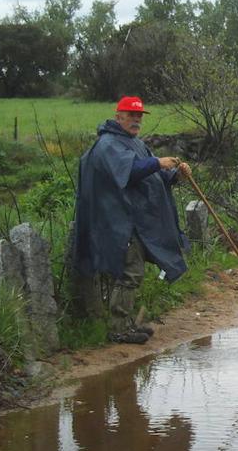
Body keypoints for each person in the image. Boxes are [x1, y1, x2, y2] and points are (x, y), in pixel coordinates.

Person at [72, 96, 192, 345]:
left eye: (139, 116)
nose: (136, 119)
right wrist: (158, 162)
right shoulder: (107, 145)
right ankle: (117, 330)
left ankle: (125, 323)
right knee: (130, 273)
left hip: (132, 219)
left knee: (132, 272)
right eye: (131, 115)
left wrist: (176, 175)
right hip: (117, 220)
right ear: (118, 117)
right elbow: (132, 172)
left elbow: (152, 176)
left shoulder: (133, 142)